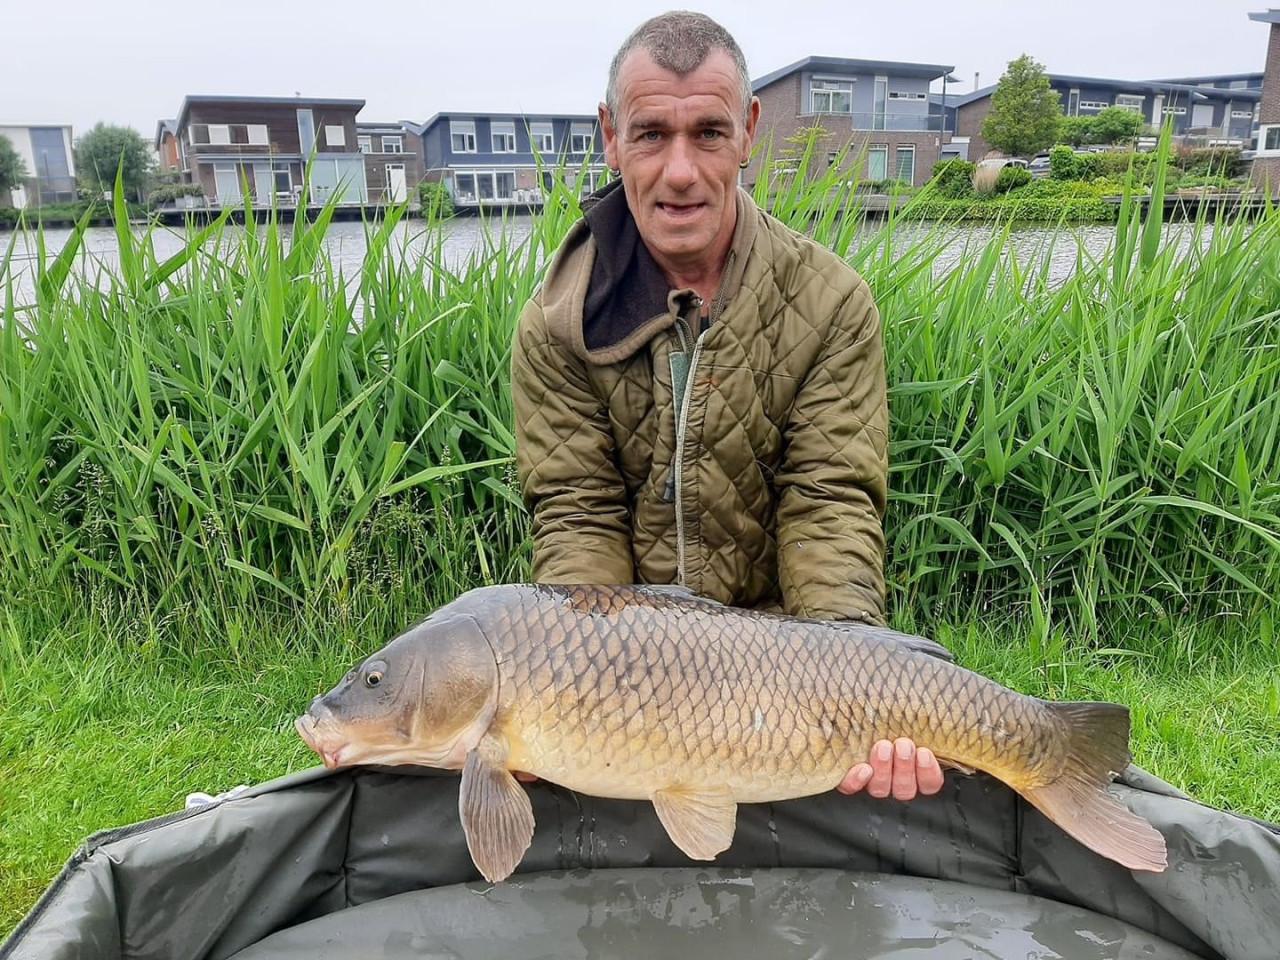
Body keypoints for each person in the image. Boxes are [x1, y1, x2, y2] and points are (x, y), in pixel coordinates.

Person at [511, 11, 942, 802]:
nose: (680, 171)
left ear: (748, 132)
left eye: (708, 133)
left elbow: (830, 504)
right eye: (651, 135)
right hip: (629, 664)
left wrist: (859, 674)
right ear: (611, 137)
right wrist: (567, 693)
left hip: (788, 659)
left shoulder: (831, 301)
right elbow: (577, 517)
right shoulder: (557, 322)